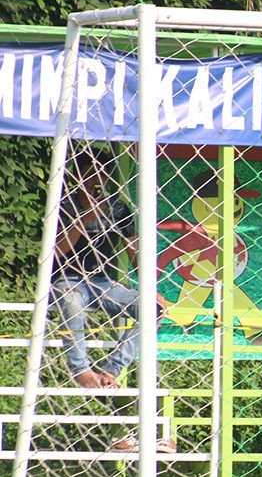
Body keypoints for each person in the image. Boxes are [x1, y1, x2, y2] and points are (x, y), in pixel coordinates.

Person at [50, 150, 174, 451]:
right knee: (72, 301)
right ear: (77, 177)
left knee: (152, 308)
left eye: (100, 173)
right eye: (88, 172)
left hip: (104, 282)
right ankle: (80, 369)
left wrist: (149, 287)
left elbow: (133, 250)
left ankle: (111, 369)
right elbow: (54, 254)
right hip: (68, 278)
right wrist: (83, 220)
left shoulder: (117, 208)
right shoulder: (62, 204)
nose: (95, 179)